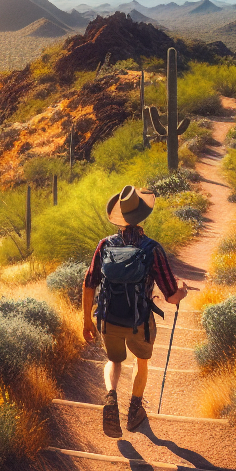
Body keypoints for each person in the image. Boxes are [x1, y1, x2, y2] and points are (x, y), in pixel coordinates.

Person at [82, 185, 188, 436]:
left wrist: (86, 321)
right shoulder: (151, 249)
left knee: (113, 361)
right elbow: (171, 296)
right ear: (142, 216)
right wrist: (182, 291)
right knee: (141, 362)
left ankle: (110, 399)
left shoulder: (104, 245)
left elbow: (89, 283)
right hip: (139, 321)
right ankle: (134, 411)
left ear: (119, 218)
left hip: (108, 319)